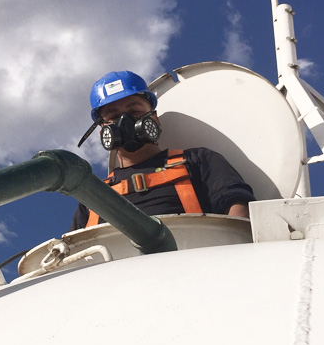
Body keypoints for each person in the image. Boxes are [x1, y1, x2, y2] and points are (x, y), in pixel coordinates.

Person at [71, 70, 255, 231]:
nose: (125, 121)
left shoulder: (198, 160)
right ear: (103, 131)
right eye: (114, 116)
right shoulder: (93, 193)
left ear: (154, 119)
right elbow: (72, 249)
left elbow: (237, 207)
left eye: (134, 112)